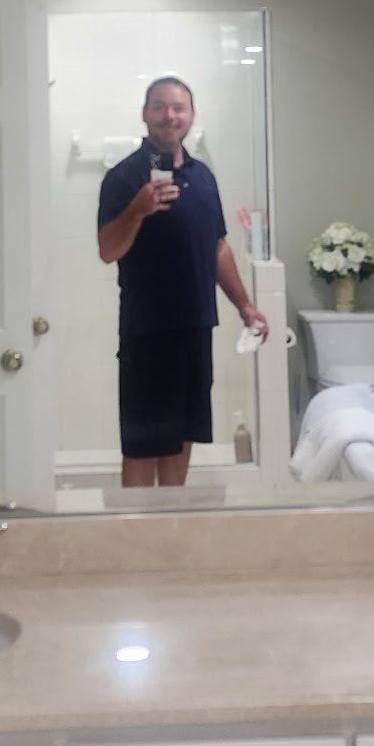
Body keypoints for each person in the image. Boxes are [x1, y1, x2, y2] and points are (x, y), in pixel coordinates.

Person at [97, 75, 268, 487]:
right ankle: (137, 542)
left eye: (179, 107)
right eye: (159, 106)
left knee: (180, 441)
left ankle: (170, 528)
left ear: (191, 116)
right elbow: (108, 250)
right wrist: (138, 209)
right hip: (147, 333)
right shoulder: (123, 177)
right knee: (141, 446)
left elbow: (218, 248)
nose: (169, 116)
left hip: (196, 328)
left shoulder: (203, 177)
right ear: (145, 114)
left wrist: (244, 306)